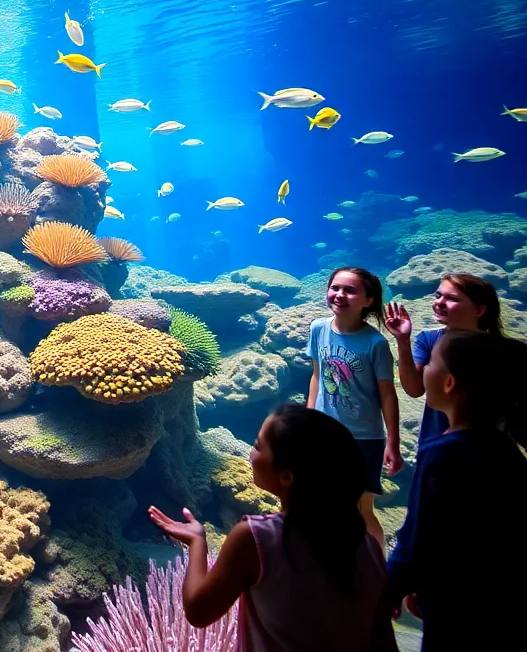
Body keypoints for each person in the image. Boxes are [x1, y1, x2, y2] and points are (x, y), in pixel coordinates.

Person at [149, 403, 396, 651]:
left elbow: (198, 611)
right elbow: (384, 641)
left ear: (287, 476)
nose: (250, 453)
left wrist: (197, 542)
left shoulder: (255, 537)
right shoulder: (367, 547)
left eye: (257, 446)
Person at [385, 330, 527, 650]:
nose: (426, 369)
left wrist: (389, 590)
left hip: (453, 600)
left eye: (431, 362)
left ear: (449, 383)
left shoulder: (441, 454)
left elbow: (417, 540)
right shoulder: (506, 449)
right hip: (499, 598)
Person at [306, 267, 402, 546]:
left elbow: (387, 394)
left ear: (368, 300)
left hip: (364, 438)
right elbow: (316, 376)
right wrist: (309, 419)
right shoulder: (317, 329)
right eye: (335, 287)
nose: (339, 295)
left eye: (350, 290)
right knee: (321, 500)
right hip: (324, 433)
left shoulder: (376, 343)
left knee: (361, 508)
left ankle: (377, 570)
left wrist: (392, 443)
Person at [383, 272, 505, 452]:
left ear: (478, 310)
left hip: (485, 447)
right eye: (438, 295)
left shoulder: (501, 352)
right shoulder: (428, 339)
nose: (439, 302)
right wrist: (402, 339)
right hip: (435, 440)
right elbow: (415, 389)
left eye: (452, 298)